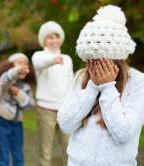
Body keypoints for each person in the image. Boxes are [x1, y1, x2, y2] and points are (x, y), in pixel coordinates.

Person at [57, 5, 143, 166]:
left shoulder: (138, 82)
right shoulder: (81, 77)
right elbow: (65, 124)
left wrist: (107, 87)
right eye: (90, 60)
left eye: (100, 60)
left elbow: (124, 133)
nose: (94, 67)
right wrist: (92, 87)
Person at [31, 21, 74, 166]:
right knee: (45, 151)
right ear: (44, 40)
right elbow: (39, 64)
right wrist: (52, 61)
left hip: (65, 111)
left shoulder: (67, 59)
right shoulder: (39, 56)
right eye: (50, 37)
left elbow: (72, 84)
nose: (54, 40)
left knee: (69, 149)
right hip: (45, 110)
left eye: (57, 37)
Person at [0, 53, 35, 166]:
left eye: (25, 64)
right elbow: (5, 78)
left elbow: (31, 105)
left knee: (18, 155)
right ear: (10, 66)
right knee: (3, 156)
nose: (23, 66)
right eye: (19, 63)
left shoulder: (26, 87)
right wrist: (17, 71)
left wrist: (19, 93)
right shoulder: (5, 81)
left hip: (17, 123)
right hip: (1, 121)